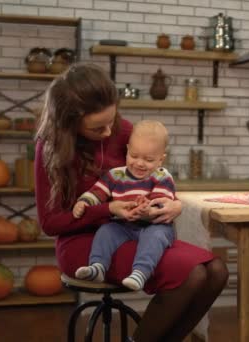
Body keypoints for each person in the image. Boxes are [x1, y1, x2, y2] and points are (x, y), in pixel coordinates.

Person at [35, 64, 228, 342]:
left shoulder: (122, 130)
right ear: (69, 123)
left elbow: (153, 173)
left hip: (137, 232)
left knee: (217, 272)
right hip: (84, 243)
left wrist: (172, 204)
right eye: (96, 128)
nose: (108, 132)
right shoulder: (49, 148)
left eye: (111, 121)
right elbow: (50, 223)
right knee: (193, 275)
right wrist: (107, 209)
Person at [72, 120, 177, 291]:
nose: (140, 163)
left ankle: (140, 273)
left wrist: (148, 210)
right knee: (106, 231)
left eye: (149, 159)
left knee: (155, 237)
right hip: (123, 224)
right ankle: (97, 267)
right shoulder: (115, 175)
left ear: (160, 160)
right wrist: (84, 202)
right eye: (134, 156)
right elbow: (98, 192)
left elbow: (161, 202)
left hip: (154, 225)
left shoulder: (162, 176)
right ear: (127, 150)